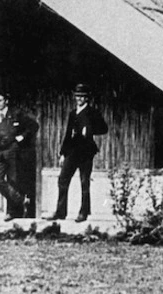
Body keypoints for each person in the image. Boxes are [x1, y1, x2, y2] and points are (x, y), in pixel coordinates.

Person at [47, 83, 109, 222]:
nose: (79, 98)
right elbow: (68, 134)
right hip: (72, 151)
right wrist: (63, 153)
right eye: (77, 96)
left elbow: (104, 128)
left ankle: (84, 212)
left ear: (86, 98)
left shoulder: (93, 112)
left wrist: (90, 130)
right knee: (63, 179)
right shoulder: (73, 113)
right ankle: (61, 212)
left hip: (86, 151)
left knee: (84, 181)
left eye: (82, 96)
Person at [0, 91, 39, 222]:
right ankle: (22, 200)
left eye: (0, 100)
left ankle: (11, 212)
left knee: (12, 180)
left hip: (12, 150)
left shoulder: (16, 114)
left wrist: (22, 137)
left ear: (6, 101)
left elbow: (34, 125)